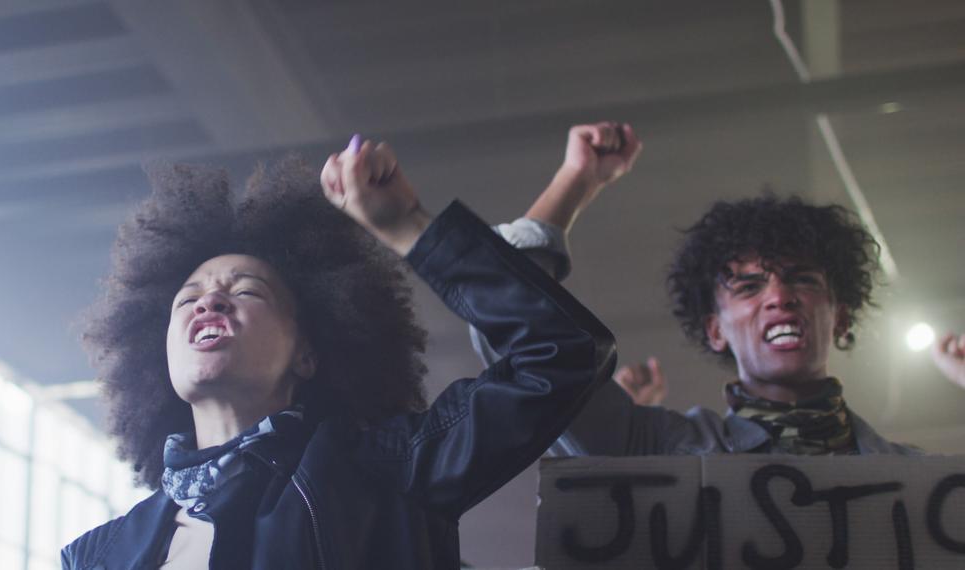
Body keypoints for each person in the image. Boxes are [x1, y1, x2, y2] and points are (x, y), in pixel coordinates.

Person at [61, 138, 615, 569]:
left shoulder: (390, 472)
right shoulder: (98, 556)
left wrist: (409, 227)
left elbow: (560, 352)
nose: (211, 300)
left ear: (308, 353)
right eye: (189, 297)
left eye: (246, 289)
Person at [477, 120, 918, 456]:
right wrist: (576, 180)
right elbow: (513, 318)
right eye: (749, 286)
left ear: (840, 315)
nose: (780, 297)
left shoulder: (920, 484)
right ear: (715, 330)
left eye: (802, 278)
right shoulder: (655, 451)